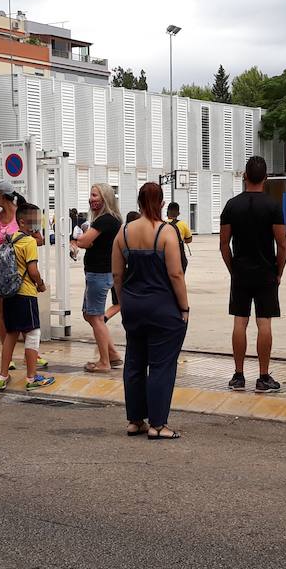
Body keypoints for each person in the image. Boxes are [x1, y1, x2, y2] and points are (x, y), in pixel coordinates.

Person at [113, 182, 189, 439]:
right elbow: (176, 274)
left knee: (134, 362)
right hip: (162, 307)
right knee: (161, 365)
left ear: (138, 202)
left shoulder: (123, 232)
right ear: (161, 203)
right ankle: (158, 425)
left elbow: (116, 273)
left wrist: (125, 302)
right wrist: (184, 307)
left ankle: (135, 420)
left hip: (133, 306)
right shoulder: (166, 232)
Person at [219, 155, 286, 393]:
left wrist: (232, 269)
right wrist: (278, 272)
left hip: (241, 272)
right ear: (266, 178)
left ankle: (238, 376)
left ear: (244, 176)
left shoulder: (231, 205)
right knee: (264, 322)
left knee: (240, 321)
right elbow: (282, 244)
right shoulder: (273, 206)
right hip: (266, 272)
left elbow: (223, 244)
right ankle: (263, 376)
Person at [0, 180, 48, 372]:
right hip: (2, 273)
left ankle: (31, 355)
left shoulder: (23, 214)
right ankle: (8, 359)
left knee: (25, 318)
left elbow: (39, 240)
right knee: (4, 314)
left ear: (3, 196)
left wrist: (19, 244)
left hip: (21, 271)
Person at [0, 202, 55, 392]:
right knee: (33, 333)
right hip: (26, 294)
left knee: (11, 334)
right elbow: (33, 270)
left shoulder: (9, 239)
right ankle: (31, 377)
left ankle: (2, 376)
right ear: (22, 221)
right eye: (34, 221)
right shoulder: (28, 242)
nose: (37, 224)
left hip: (9, 294)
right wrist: (41, 284)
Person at [70, 184, 123, 373]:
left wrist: (84, 242)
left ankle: (104, 362)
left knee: (95, 317)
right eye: (90, 195)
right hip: (101, 272)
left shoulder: (105, 220)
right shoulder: (112, 219)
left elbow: (82, 241)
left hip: (99, 274)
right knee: (89, 315)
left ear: (105, 198)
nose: (91, 199)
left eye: (95, 195)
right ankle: (114, 355)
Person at [166, 200, 193, 271]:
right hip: (179, 256)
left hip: (165, 255)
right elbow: (189, 239)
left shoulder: (162, 223)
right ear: (178, 213)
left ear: (167, 212)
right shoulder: (183, 224)